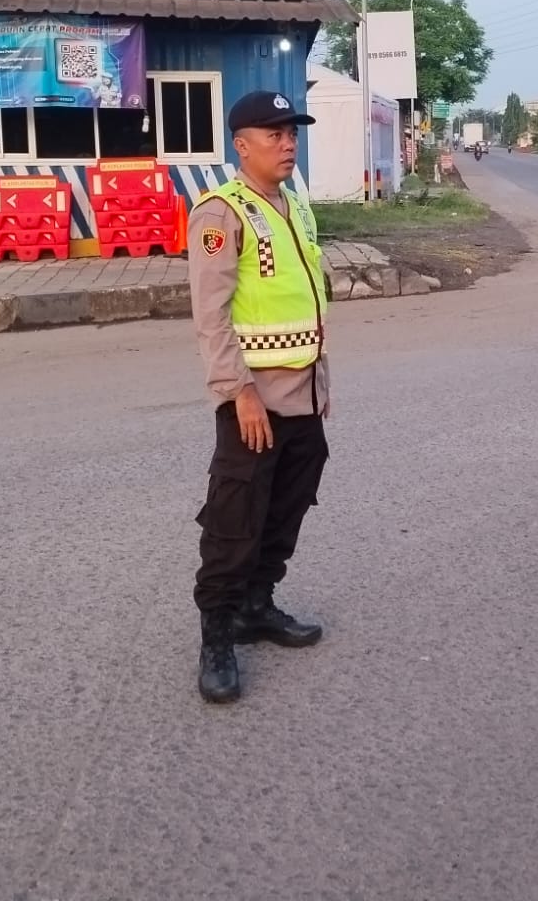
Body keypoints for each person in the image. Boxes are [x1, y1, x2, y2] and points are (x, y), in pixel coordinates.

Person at [185, 89, 330, 704]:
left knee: (286, 507)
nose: (288, 143)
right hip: (254, 400)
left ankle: (256, 603)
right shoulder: (221, 214)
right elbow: (211, 315)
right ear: (242, 146)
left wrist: (321, 381)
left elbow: (305, 295)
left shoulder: (294, 205)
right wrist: (237, 391)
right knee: (236, 517)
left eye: (292, 132)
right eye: (274, 134)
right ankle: (217, 634)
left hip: (304, 393)